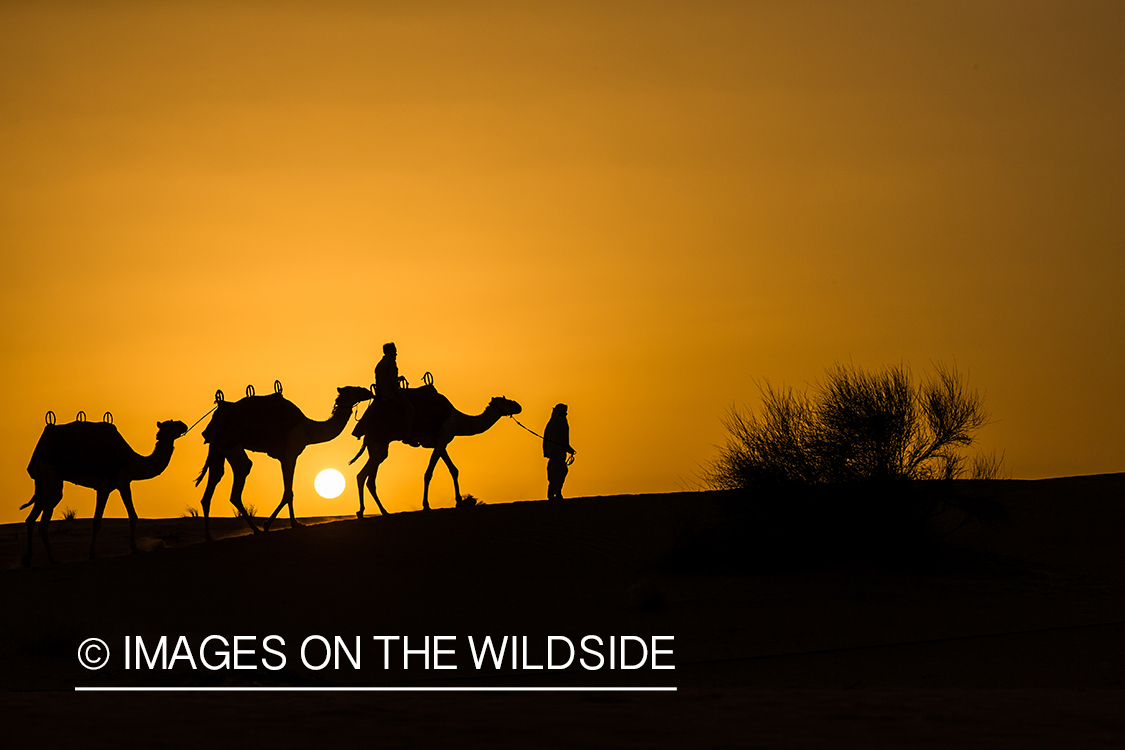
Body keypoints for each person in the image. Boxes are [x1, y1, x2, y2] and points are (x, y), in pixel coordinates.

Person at [375, 342, 417, 445]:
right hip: (390, 394)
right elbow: (392, 381)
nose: (396, 353)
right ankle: (408, 434)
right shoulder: (390, 362)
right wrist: (399, 391)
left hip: (383, 392)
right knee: (410, 409)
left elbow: (386, 379)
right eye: (394, 351)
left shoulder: (382, 363)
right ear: (390, 352)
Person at [543, 403, 576, 500]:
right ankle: (556, 492)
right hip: (558, 452)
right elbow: (563, 438)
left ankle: (555, 492)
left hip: (554, 451)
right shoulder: (561, 422)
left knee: (557, 471)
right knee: (560, 471)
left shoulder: (551, 423)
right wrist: (568, 448)